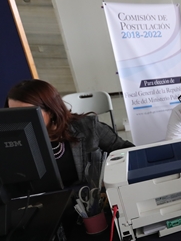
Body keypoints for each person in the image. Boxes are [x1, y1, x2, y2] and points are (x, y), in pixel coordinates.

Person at [6, 79, 134, 188]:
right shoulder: (14, 141)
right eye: (15, 114)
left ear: (50, 110)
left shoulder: (88, 127)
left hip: (90, 203)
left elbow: (128, 152)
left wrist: (110, 179)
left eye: (27, 113)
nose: (21, 120)